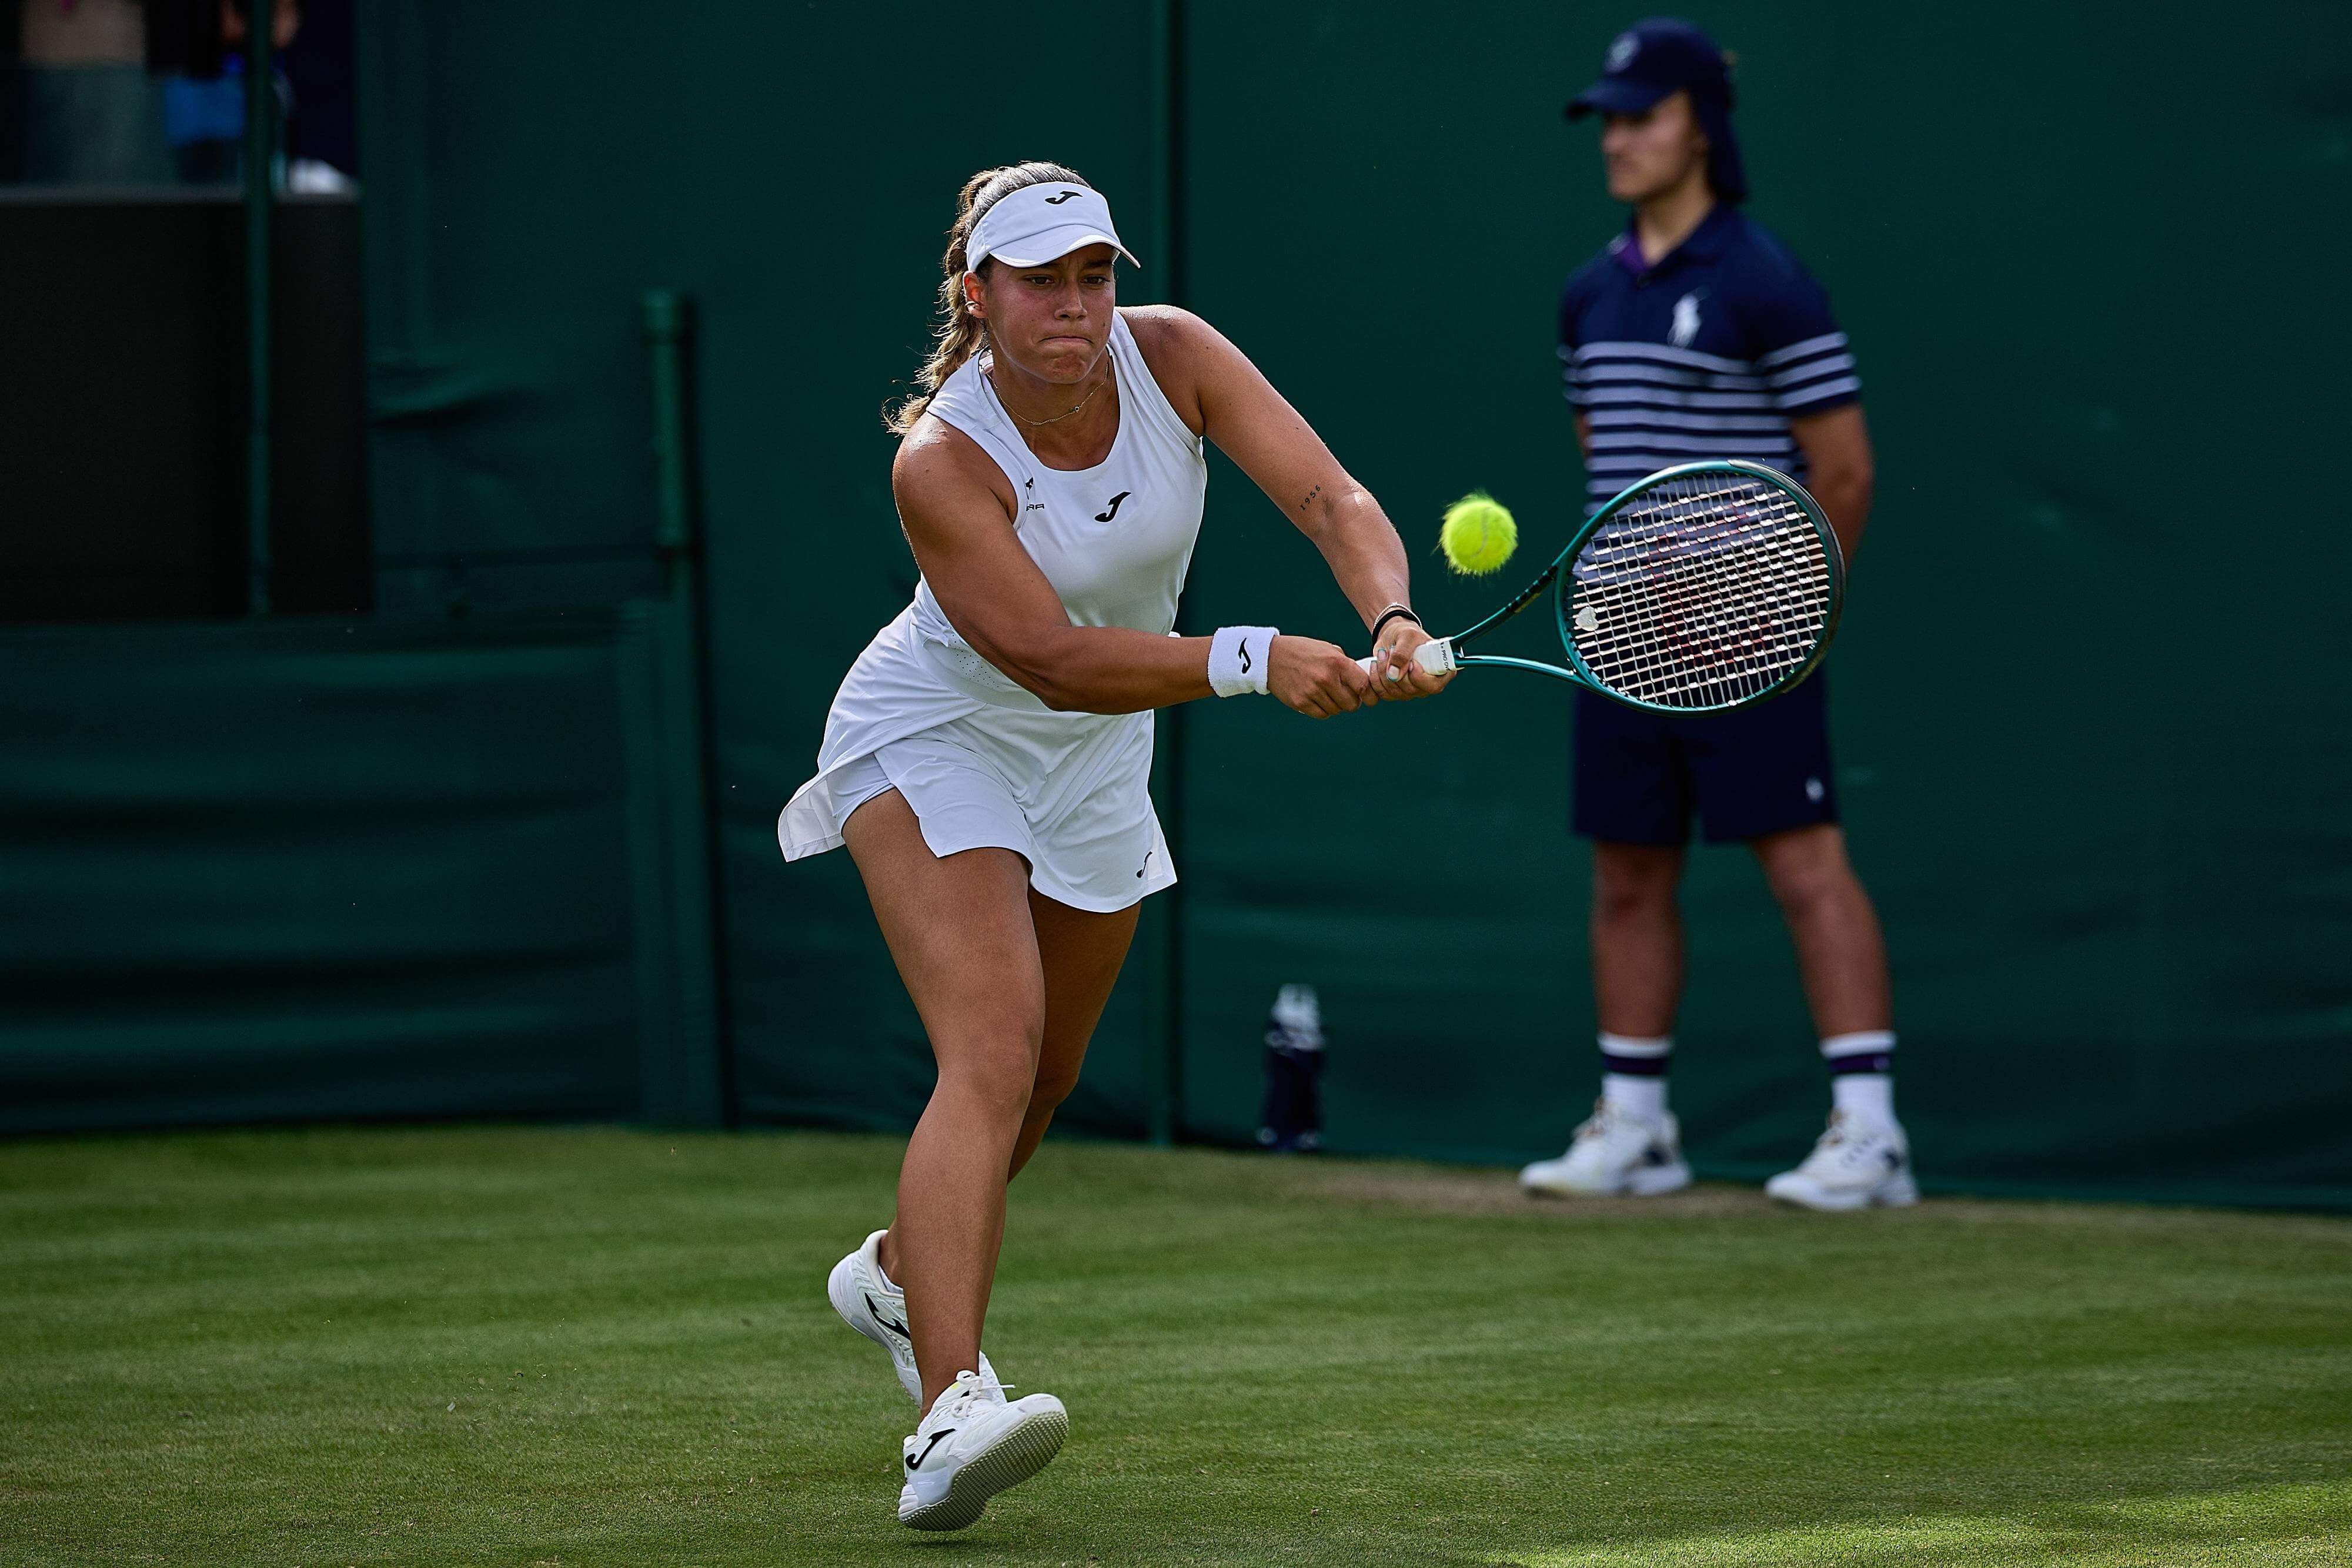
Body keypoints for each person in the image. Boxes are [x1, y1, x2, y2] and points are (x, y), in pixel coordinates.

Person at [777, 161, 1449, 1530]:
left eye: (1092, 274)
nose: (1075, 305)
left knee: (1043, 1083)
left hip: (1093, 759)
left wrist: (1385, 614)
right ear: (977, 295)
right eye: (1038, 281)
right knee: (995, 1042)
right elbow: (1044, 655)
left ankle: (902, 1271)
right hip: (938, 733)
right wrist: (1254, 658)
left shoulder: (1178, 355)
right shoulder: (942, 460)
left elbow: (1329, 498)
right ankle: (947, 1409)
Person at [1518, 18, 1914, 1212]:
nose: (1618, 139)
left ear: (1699, 123)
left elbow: (1841, 472)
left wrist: (1782, 612)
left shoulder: (1764, 280)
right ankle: (1635, 1126)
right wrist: (1633, 603)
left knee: (1804, 868)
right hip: (1624, 647)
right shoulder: (1587, 295)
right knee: (1626, 874)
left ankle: (1869, 1133)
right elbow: (1609, 469)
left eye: (1641, 115)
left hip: (1753, 644)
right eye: (1608, 121)